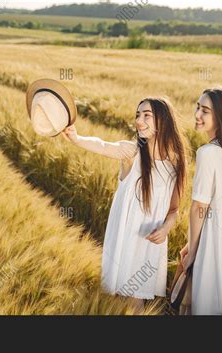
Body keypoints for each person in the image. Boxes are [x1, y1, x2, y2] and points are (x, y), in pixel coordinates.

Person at [62, 97, 187, 313]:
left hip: (149, 242)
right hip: (126, 239)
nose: (139, 120)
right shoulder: (132, 152)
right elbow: (103, 146)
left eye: (146, 115)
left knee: (134, 300)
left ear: (163, 120)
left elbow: (174, 209)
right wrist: (76, 138)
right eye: (138, 115)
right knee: (127, 299)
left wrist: (166, 228)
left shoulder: (175, 163)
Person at [180, 86, 222, 315]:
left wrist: (192, 251)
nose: (197, 114)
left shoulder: (207, 153)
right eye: (198, 107)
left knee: (205, 308)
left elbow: (199, 206)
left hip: (215, 242)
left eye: (205, 111)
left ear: (220, 117)